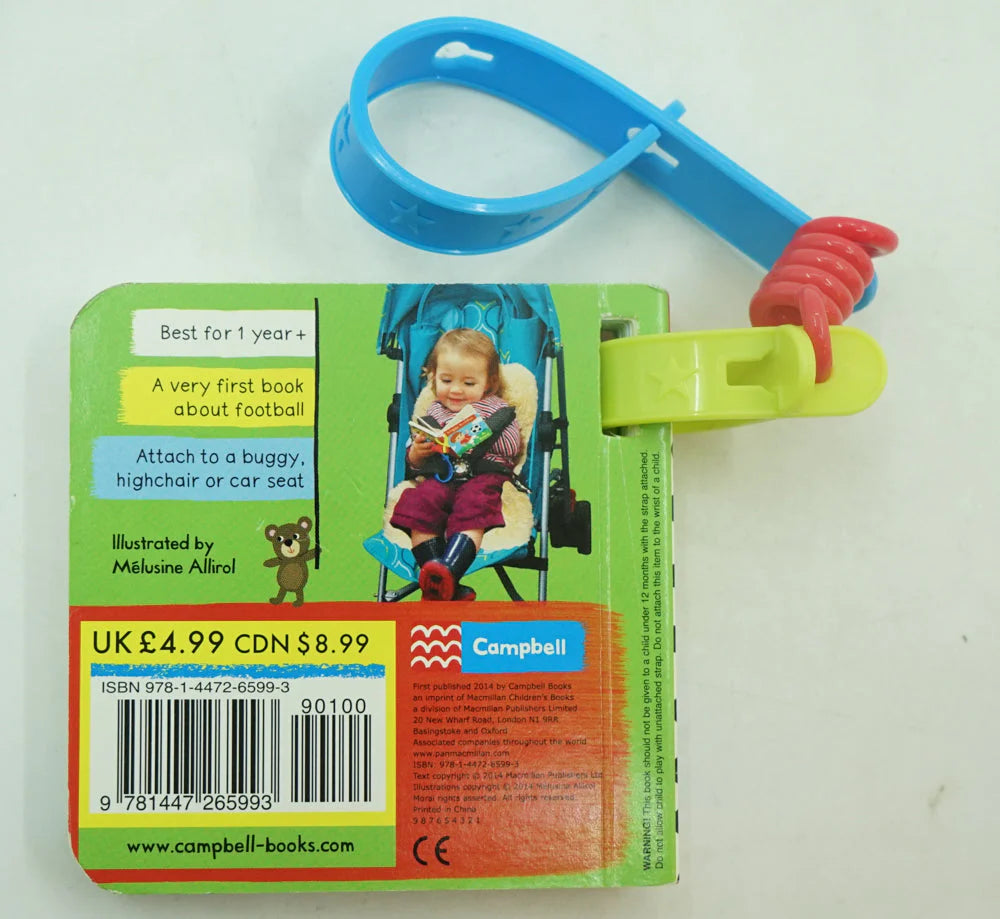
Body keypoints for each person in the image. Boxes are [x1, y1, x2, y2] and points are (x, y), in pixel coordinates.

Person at [390, 328, 520, 601]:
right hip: (443, 478)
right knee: (419, 501)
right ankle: (436, 577)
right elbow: (413, 462)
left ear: (489, 383)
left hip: (482, 476)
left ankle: (449, 569)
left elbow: (512, 447)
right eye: (446, 380)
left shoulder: (495, 409)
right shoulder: (433, 411)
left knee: (475, 503)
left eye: (469, 383)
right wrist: (418, 453)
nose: (456, 390)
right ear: (433, 377)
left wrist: (476, 437)